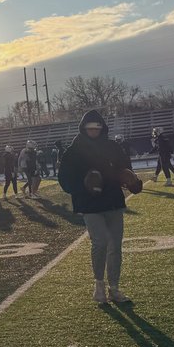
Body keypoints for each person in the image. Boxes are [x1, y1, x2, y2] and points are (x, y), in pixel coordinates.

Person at [58, 110, 139, 305]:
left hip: (113, 201)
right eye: (90, 128)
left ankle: (114, 287)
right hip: (90, 204)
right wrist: (84, 186)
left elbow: (124, 169)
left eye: (97, 128)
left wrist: (131, 180)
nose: (93, 131)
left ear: (102, 128)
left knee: (115, 246)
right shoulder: (74, 151)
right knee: (100, 242)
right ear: (83, 129)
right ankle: (99, 285)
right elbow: (65, 180)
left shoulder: (112, 147)